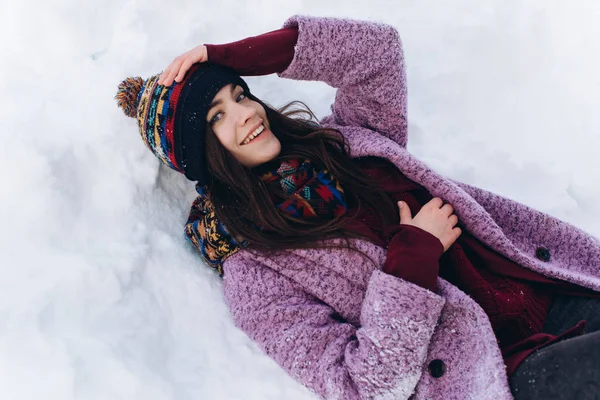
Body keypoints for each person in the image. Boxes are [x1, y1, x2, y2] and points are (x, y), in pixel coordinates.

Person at [115, 15, 600, 400]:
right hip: (497, 371)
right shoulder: (255, 275)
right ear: (201, 152)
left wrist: (227, 55)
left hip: (549, 296)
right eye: (218, 116)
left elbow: (376, 52)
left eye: (240, 95)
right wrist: (413, 258)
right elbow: (363, 385)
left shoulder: (347, 142)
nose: (246, 114)